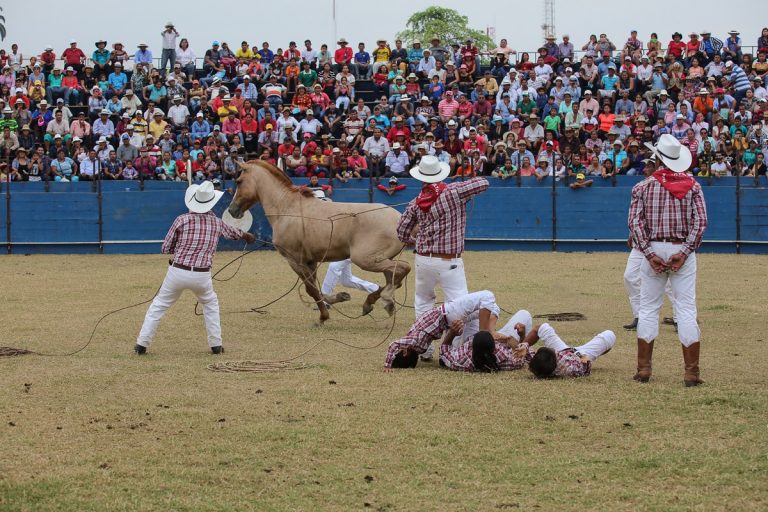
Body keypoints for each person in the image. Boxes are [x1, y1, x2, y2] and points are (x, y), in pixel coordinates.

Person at [135, 181, 256, 355]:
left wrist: (179, 248)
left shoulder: (181, 220)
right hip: (202, 275)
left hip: (177, 271)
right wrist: (247, 236)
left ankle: (142, 344)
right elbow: (233, 233)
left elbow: (165, 248)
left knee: (159, 305)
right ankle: (216, 345)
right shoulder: (216, 222)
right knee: (210, 304)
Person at [628, 134, 708, 386]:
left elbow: (635, 223)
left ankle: (644, 369)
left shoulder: (642, 187)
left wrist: (649, 254)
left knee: (648, 308)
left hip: (652, 248)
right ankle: (691, 372)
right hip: (680, 250)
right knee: (685, 309)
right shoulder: (693, 186)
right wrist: (684, 252)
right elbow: (701, 222)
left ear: (659, 158)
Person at [396, 155, 489, 361]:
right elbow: (483, 182)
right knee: (458, 305)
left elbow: (401, 232)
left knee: (423, 303)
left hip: (423, 259)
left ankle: (424, 349)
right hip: (449, 261)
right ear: (440, 174)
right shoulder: (454, 192)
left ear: (421, 178)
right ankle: (455, 349)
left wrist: (414, 240)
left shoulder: (415, 203)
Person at [623, 158, 677, 330]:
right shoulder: (641, 187)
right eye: (645, 166)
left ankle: (678, 318)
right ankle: (639, 316)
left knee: (669, 283)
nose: (646, 169)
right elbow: (637, 216)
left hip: (657, 242)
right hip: (641, 244)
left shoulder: (665, 187)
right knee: (630, 277)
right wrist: (632, 234)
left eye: (650, 166)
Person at [384, 290, 501, 369]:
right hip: (448, 313)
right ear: (405, 352)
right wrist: (387, 365)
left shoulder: (421, 349)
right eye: (401, 350)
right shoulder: (413, 340)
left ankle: (487, 333)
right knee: (487, 295)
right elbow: (392, 344)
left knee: (493, 307)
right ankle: (485, 334)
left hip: (449, 320)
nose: (401, 347)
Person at [439, 309, 533, 372]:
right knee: (524, 314)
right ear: (494, 346)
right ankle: (493, 317)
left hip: (486, 340)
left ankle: (492, 317)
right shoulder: (504, 357)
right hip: (504, 342)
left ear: (471, 345)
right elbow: (522, 355)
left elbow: (445, 354)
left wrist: (451, 333)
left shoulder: (462, 359)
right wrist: (522, 336)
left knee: (475, 310)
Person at [522, 323, 616, 378]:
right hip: (579, 356)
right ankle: (596, 352)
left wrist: (523, 346)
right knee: (609, 336)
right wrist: (583, 357)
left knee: (543, 327)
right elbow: (586, 365)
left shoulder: (537, 364)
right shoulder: (571, 368)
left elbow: (529, 355)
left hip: (564, 350)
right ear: (557, 358)